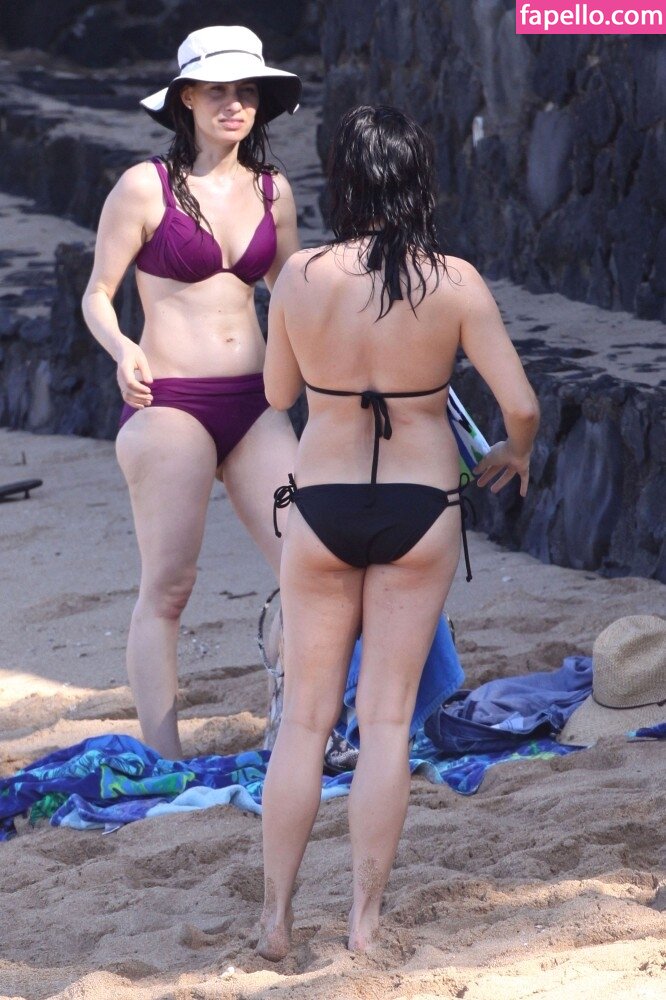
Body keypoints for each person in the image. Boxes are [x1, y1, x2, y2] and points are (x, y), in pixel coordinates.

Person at [259, 105, 540, 959]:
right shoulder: (454, 281)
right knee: (385, 722)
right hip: (421, 506)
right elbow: (522, 405)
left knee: (305, 722)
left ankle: (275, 922)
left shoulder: (300, 276)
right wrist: (512, 454)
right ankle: (364, 924)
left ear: (341, 178)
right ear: (419, 180)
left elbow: (277, 396)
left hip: (322, 505)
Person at [81, 26, 302, 760]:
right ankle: (164, 757)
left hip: (257, 404)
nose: (234, 104)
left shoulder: (274, 190)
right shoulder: (144, 186)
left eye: (247, 91)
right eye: (218, 91)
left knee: (310, 568)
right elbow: (97, 293)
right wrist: (123, 349)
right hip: (169, 402)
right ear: (186, 100)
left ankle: (297, 728)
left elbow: (294, 293)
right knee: (170, 587)